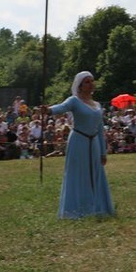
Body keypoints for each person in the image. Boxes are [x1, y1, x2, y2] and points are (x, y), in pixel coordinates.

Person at [42, 71, 114, 219]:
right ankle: (78, 208)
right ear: (80, 86)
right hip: (78, 141)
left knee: (96, 173)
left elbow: (100, 129)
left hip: (94, 142)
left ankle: (98, 206)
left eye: (92, 81)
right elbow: (61, 107)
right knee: (78, 174)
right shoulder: (74, 101)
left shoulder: (97, 105)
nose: (91, 84)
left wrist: (103, 152)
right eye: (87, 82)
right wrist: (49, 110)